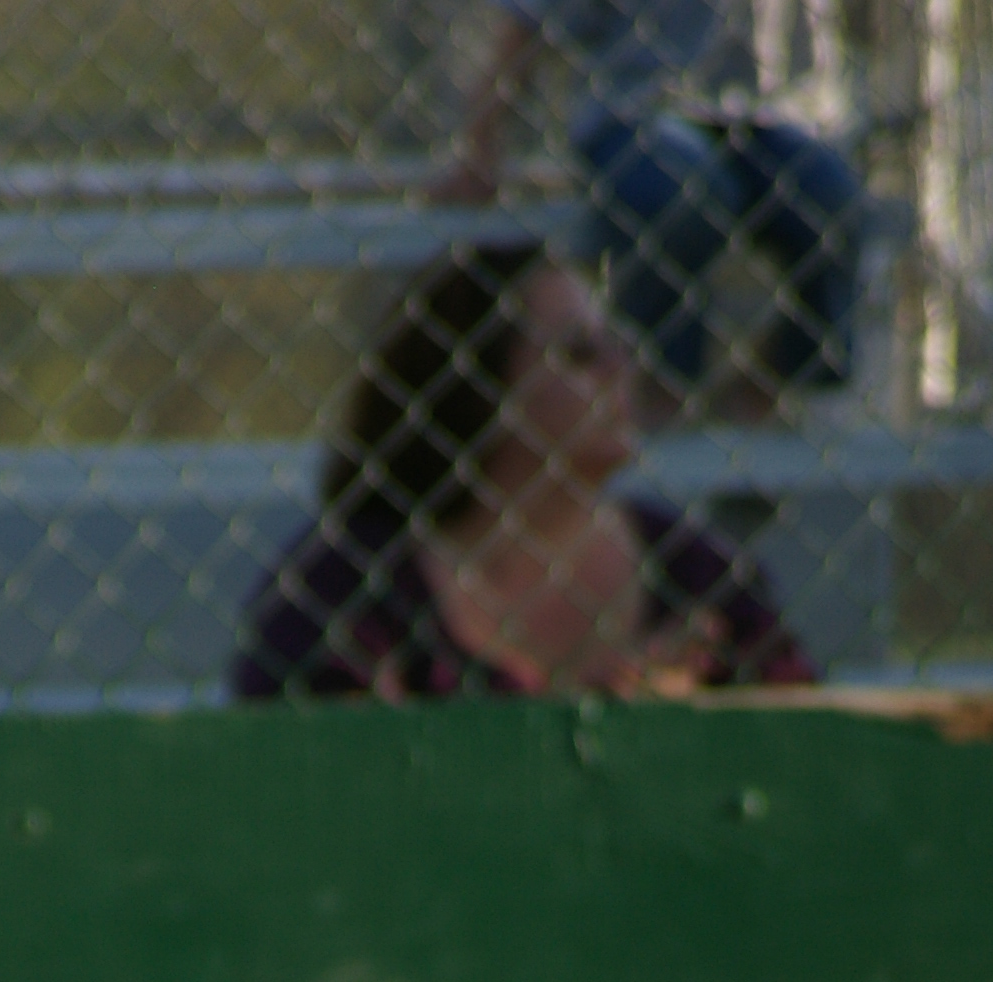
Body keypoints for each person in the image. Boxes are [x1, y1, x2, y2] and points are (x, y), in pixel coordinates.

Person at [231, 244, 814, 700]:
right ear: (482, 387)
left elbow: (803, 742)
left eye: (615, 344)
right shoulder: (346, 587)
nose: (623, 368)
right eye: (579, 353)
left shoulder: (699, 576)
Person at [441, 3, 861, 417]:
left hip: (753, 113)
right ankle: (658, 388)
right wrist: (480, 145)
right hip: (633, 111)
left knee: (831, 193)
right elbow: (524, 26)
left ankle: (771, 386)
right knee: (687, 192)